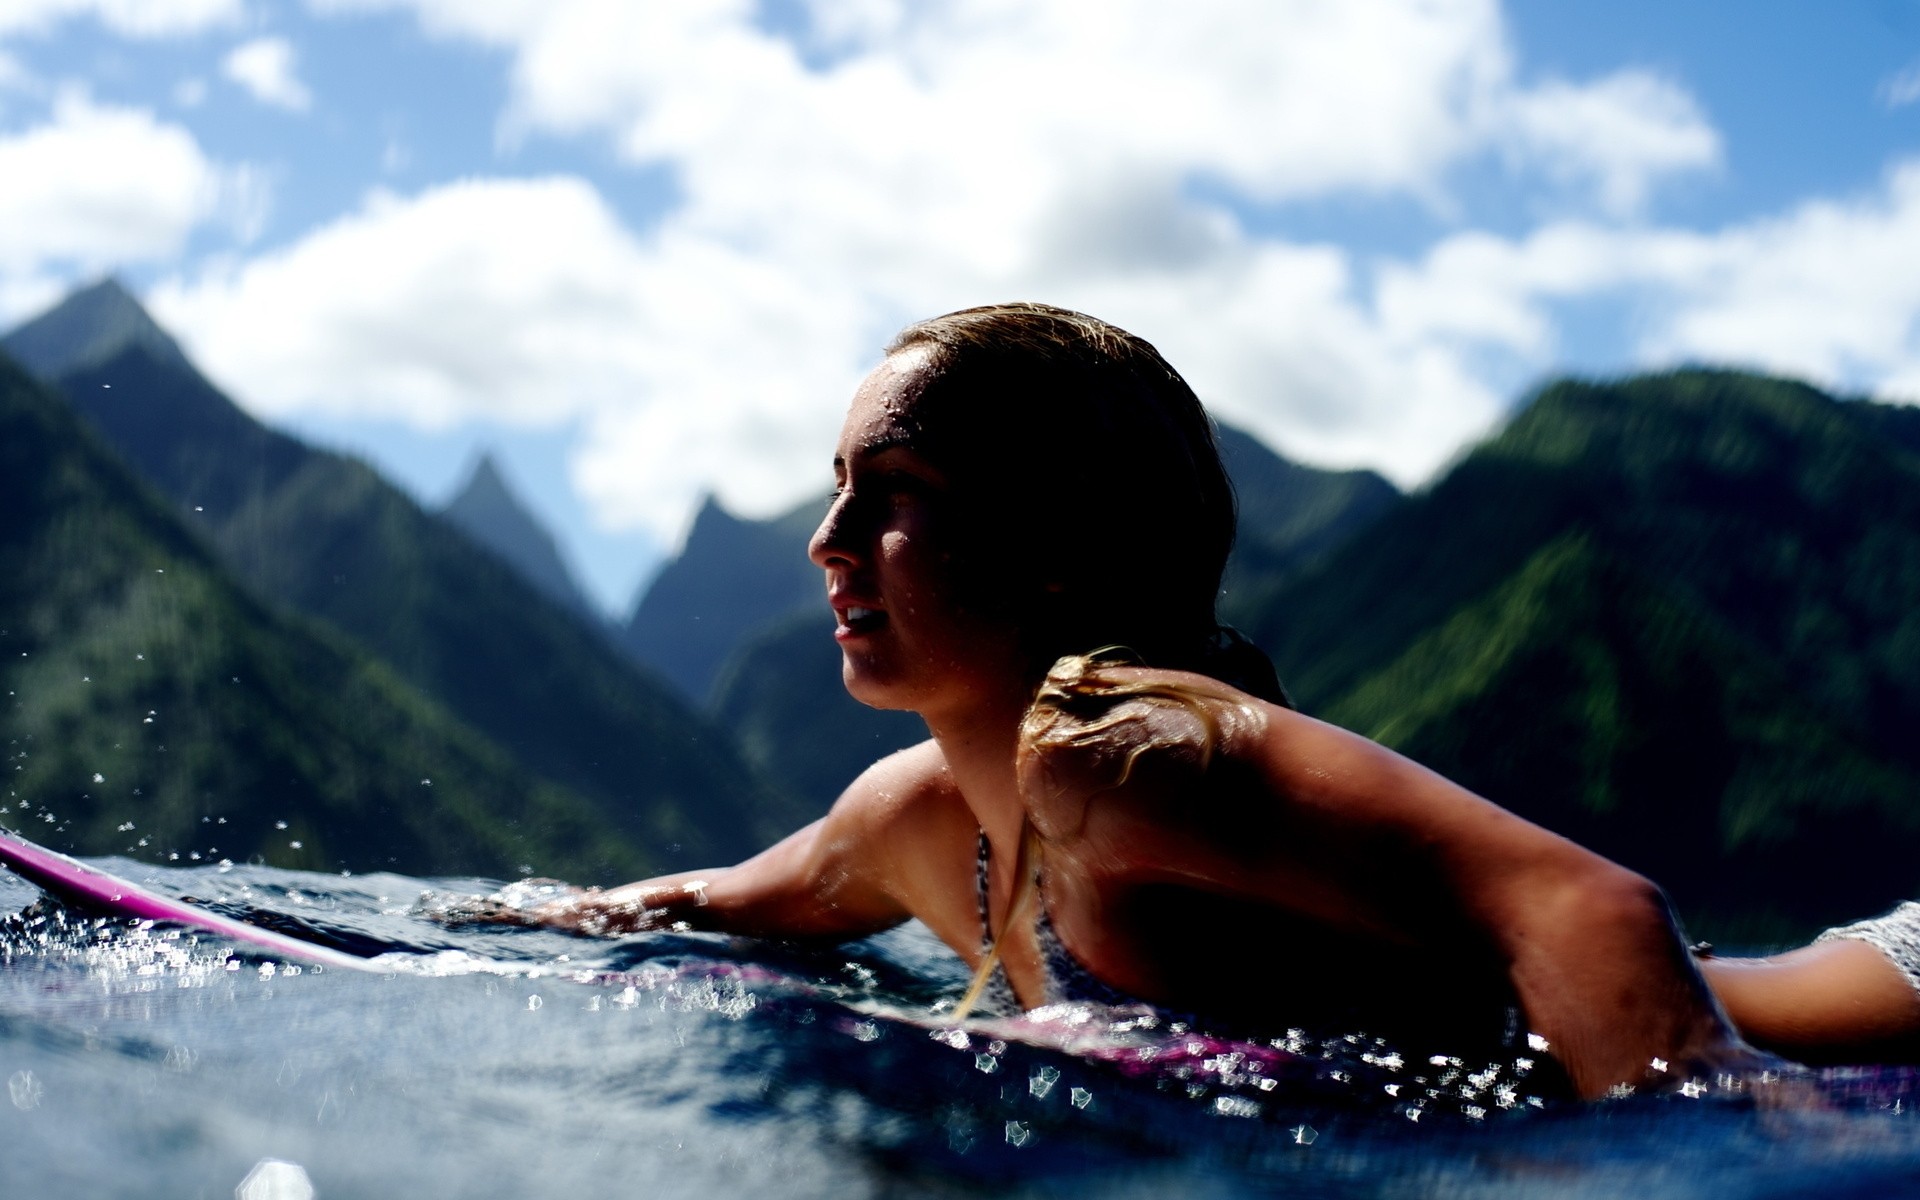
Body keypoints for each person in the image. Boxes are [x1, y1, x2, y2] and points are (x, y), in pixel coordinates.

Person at [479, 303, 1918, 1097]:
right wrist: (490, 925)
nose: (828, 540)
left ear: (1055, 551)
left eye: (896, 494)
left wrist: (1727, 1151)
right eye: (836, 489)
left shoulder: (1119, 751)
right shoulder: (909, 820)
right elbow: (698, 904)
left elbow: (1589, 910)